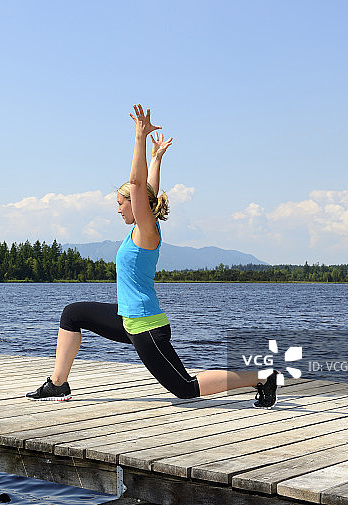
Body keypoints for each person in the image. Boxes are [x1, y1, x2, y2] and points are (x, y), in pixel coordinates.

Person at [26, 104, 280, 408]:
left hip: (145, 324)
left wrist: (140, 137)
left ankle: (263, 378)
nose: (118, 208)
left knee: (185, 389)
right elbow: (146, 190)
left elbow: (137, 186)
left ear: (136, 206)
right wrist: (157, 157)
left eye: (121, 203)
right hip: (127, 318)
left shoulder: (147, 231)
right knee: (72, 314)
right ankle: (58, 384)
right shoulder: (142, 226)